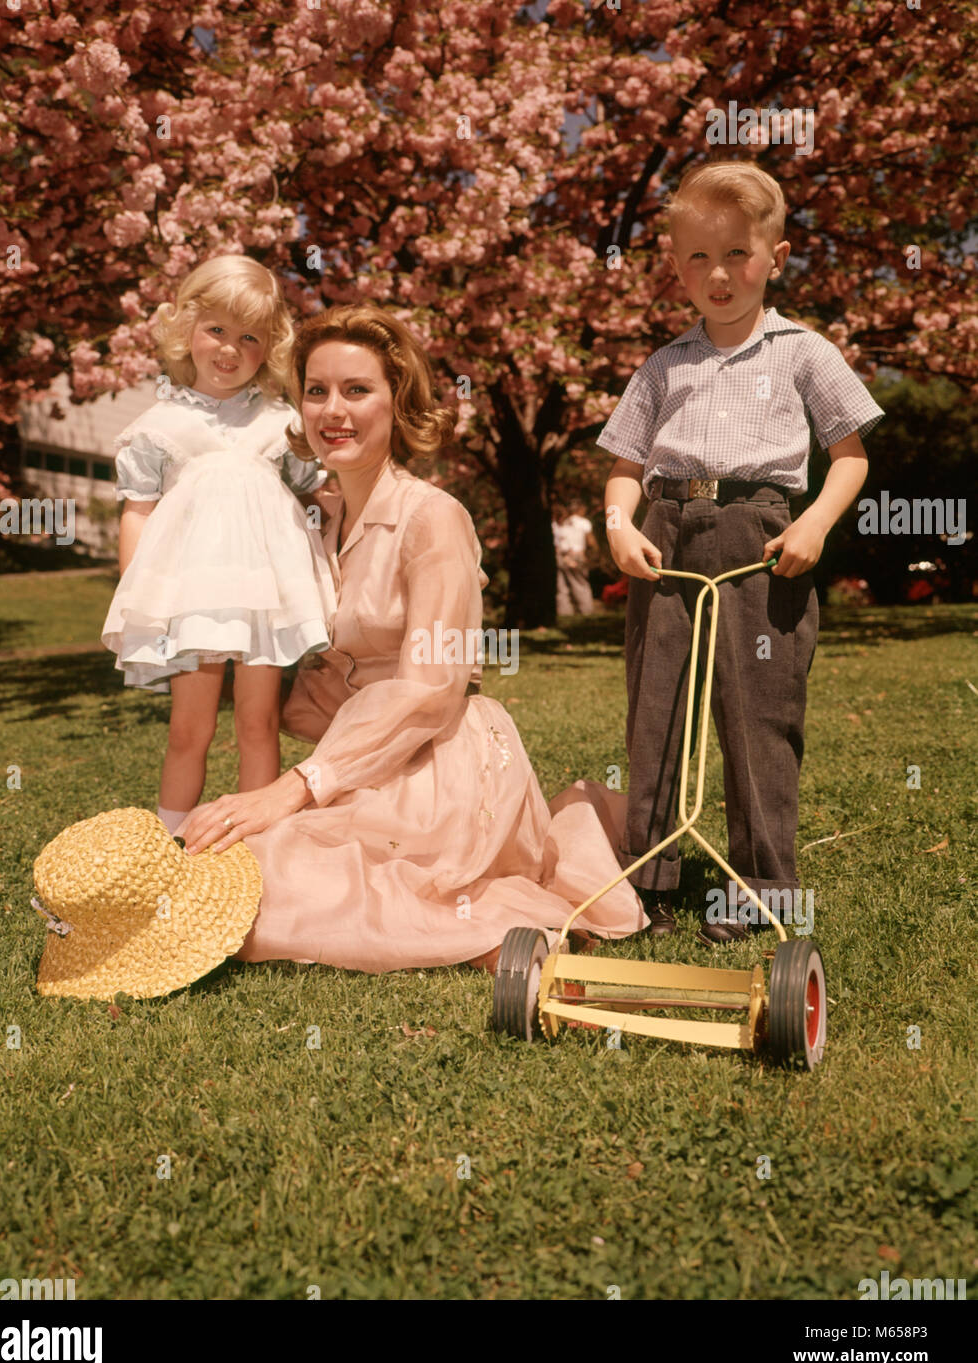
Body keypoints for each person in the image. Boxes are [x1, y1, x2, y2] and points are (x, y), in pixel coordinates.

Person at [178, 304, 649, 972]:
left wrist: (291, 789)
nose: (332, 410)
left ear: (397, 404)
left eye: (356, 390)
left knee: (277, 891)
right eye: (316, 391)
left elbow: (431, 689)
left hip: (440, 758)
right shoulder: (307, 521)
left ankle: (510, 918)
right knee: (242, 870)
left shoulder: (434, 519)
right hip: (350, 766)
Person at [600, 160, 884, 944]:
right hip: (664, 534)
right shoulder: (665, 363)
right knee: (655, 707)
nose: (716, 275)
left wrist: (814, 524)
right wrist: (620, 526)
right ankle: (648, 878)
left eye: (735, 255)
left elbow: (851, 455)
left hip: (758, 539)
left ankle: (760, 885)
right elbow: (625, 467)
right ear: (674, 265)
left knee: (757, 710)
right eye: (696, 257)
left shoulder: (803, 353)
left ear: (776, 256)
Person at [101, 255, 336, 835]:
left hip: (263, 598)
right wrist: (140, 597)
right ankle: (170, 844)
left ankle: (259, 851)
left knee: (257, 725)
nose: (230, 349)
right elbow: (139, 512)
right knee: (190, 729)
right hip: (194, 599)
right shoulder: (160, 426)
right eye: (217, 330)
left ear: (270, 345)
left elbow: (320, 497)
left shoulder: (283, 423)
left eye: (249, 336)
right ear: (187, 330)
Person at [552, 498, 597, 616]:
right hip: (577, 556)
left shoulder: (561, 523)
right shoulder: (583, 522)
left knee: (562, 587)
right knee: (581, 584)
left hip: (561, 556)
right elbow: (591, 542)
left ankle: (564, 613)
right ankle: (586, 612)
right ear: (580, 509)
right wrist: (594, 554)